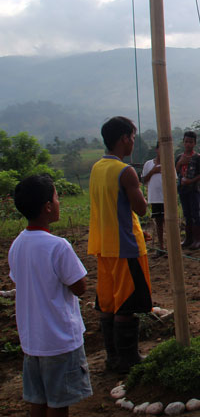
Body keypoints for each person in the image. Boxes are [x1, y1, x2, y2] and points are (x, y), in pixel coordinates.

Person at [10, 175, 92, 416]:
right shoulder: (58, 246)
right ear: (47, 207)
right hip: (59, 339)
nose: (59, 202)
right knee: (58, 403)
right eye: (56, 198)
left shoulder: (17, 244)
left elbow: (21, 279)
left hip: (32, 340)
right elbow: (80, 287)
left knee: (38, 399)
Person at [88, 117, 151, 373]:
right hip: (125, 245)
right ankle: (128, 360)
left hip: (103, 245)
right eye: (133, 138)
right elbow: (141, 208)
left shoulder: (97, 168)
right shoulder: (125, 171)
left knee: (108, 303)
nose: (133, 143)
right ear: (124, 138)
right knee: (127, 303)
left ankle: (112, 357)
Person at [175, 131, 200, 250]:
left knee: (195, 214)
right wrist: (180, 163)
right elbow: (175, 170)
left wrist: (191, 181)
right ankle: (188, 238)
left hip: (193, 189)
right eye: (186, 141)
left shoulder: (197, 157)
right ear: (183, 142)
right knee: (186, 214)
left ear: (194, 143)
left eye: (191, 142)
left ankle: (197, 239)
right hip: (182, 189)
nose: (188, 144)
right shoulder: (179, 157)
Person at [141, 142, 165, 256]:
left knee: (169, 223)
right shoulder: (148, 164)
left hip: (167, 199)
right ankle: (161, 246)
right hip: (155, 198)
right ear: (156, 150)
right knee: (159, 222)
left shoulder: (168, 163)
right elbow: (144, 180)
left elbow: (174, 180)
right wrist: (153, 171)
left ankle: (170, 246)